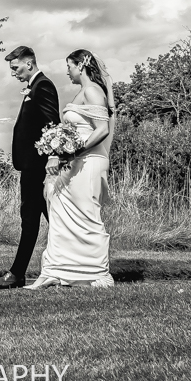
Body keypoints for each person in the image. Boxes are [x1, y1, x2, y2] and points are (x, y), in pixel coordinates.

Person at [24, 48, 116, 289]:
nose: (67, 71)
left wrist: (73, 151)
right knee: (58, 212)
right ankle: (53, 270)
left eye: (69, 66)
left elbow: (102, 129)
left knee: (86, 215)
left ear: (81, 66)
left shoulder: (93, 91)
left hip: (87, 162)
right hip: (72, 163)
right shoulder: (80, 93)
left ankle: (98, 273)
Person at [0, 45, 60, 289]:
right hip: (31, 165)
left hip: (38, 166)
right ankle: (71, 264)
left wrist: (53, 156)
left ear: (29, 63)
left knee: (31, 219)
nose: (13, 73)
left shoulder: (43, 86)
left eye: (15, 67)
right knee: (51, 219)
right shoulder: (35, 86)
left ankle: (17, 274)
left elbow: (53, 125)